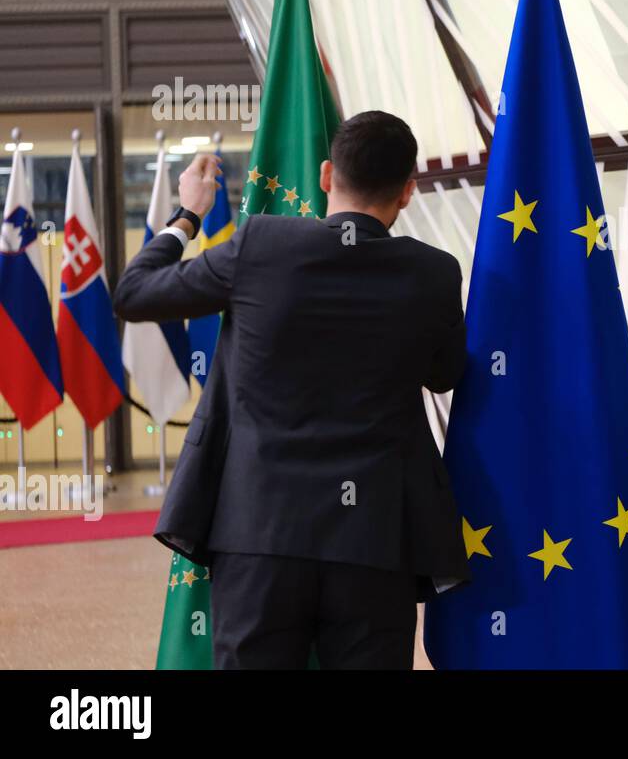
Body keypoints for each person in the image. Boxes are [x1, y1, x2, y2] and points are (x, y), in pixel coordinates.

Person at [114, 111, 468, 669]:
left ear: (327, 176)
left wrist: (187, 215)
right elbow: (446, 374)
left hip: (259, 533)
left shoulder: (259, 244)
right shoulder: (435, 275)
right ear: (407, 193)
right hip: (374, 544)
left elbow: (135, 294)